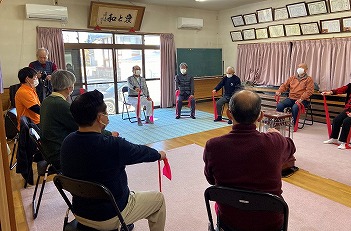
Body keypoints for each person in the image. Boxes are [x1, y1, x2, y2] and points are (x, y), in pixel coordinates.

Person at [60, 90, 166, 231]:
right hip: (110, 215)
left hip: (80, 212)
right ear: (100, 118)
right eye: (106, 113)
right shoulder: (112, 145)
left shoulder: (67, 141)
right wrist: (159, 155)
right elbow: (141, 152)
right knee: (158, 200)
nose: (107, 116)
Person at [203, 90, 296, 231]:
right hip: (270, 225)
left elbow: (211, 180)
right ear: (261, 116)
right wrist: (277, 136)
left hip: (230, 222)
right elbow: (291, 147)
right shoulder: (274, 142)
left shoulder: (213, 146)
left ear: (229, 114)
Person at [40, 70, 78, 170]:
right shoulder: (59, 104)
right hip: (59, 153)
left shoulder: (47, 100)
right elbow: (82, 127)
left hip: (49, 149)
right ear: (69, 88)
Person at [322, 84, 351, 150]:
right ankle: (334, 138)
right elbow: (341, 89)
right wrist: (329, 92)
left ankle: (344, 142)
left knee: (346, 121)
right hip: (348, 110)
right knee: (336, 120)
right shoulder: (350, 86)